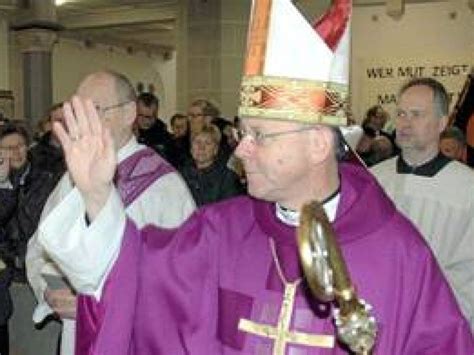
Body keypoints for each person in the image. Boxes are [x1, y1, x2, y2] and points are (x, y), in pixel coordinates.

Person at [39, 1, 473, 354]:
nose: (241, 150)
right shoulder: (218, 232)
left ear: (319, 144)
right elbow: (135, 274)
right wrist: (97, 195)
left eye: (259, 136)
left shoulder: (398, 253)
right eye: (241, 134)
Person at [26, 71, 195, 355]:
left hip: (133, 339)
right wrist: (47, 293)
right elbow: (37, 246)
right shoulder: (72, 176)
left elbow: (183, 280)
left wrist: (92, 304)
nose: (83, 122)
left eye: (95, 110)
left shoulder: (164, 186)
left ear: (129, 112)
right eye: (77, 112)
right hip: (73, 334)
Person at [371, 77, 474, 331]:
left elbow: (469, 273)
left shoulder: (467, 188)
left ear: (442, 122)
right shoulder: (374, 180)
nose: (404, 123)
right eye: (401, 113)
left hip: (438, 326)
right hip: (377, 321)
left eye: (416, 114)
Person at [180, 124, 244, 206]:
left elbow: (229, 211)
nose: (201, 147)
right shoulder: (180, 174)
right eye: (197, 142)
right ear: (191, 148)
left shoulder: (227, 178)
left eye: (208, 143)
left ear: (215, 150)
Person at [30, 103, 67, 181]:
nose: (65, 125)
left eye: (67, 120)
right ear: (49, 124)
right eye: (59, 121)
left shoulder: (84, 151)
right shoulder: (34, 154)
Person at [135, 92, 172, 158]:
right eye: (140, 115)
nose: (145, 121)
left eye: (149, 117)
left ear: (156, 114)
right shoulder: (126, 136)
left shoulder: (166, 138)